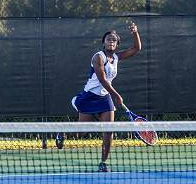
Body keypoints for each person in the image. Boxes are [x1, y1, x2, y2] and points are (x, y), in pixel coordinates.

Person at [56, 21, 141, 172]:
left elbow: (136, 49)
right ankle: (63, 132)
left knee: (109, 131)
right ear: (103, 43)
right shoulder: (98, 57)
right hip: (89, 97)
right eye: (108, 39)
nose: (111, 41)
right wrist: (117, 95)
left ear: (117, 44)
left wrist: (135, 32)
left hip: (105, 98)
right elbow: (102, 79)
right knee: (83, 132)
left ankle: (103, 163)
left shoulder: (116, 58)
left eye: (114, 40)